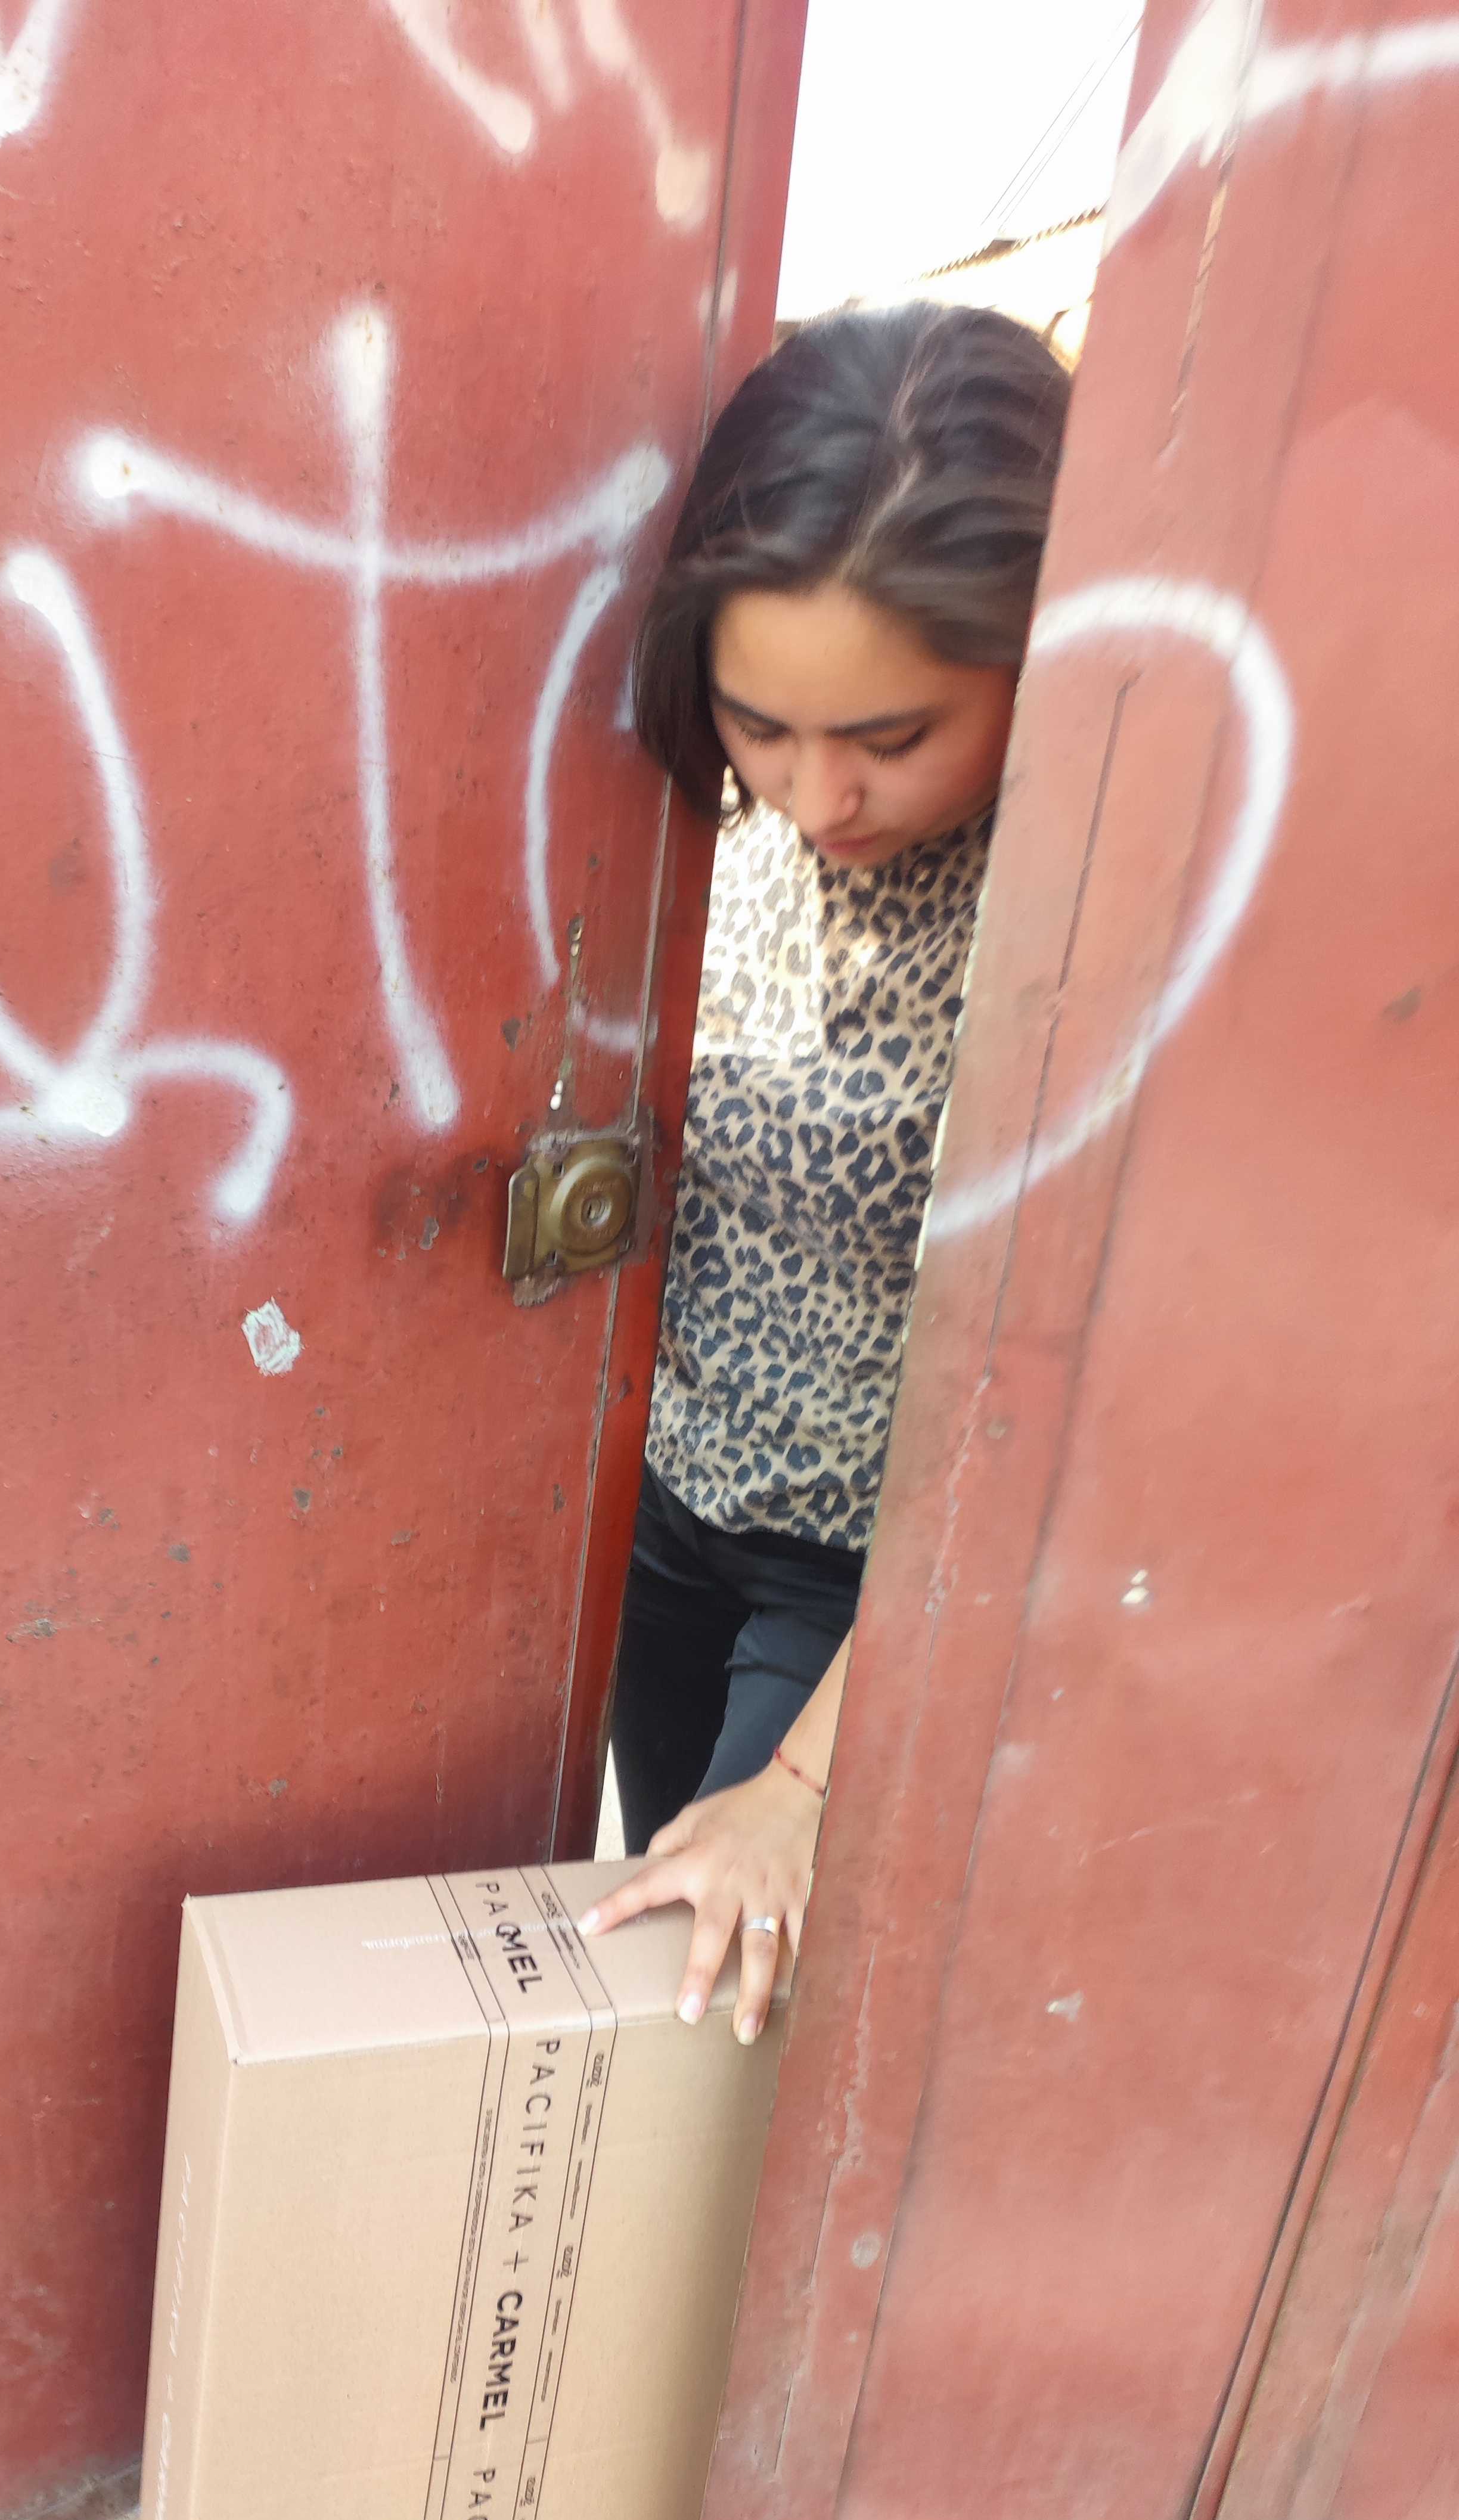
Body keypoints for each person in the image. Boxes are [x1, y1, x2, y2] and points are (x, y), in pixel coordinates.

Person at [581, 302, 1072, 2044]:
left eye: (892, 734)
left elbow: (1052, 1396)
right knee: (656, 1943)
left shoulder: (1084, 900)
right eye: (760, 725)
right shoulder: (686, 831)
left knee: (745, 2003)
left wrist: (806, 1778)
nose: (817, 794)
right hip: (660, 1506)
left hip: (859, 1574)